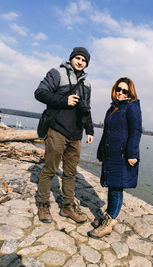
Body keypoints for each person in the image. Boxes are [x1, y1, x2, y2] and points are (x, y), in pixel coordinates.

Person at [34, 47, 94, 224]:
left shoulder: (87, 83)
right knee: (50, 169)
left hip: (76, 135)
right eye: (77, 58)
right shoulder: (57, 73)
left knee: (70, 173)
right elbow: (40, 93)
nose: (80, 62)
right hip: (57, 130)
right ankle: (43, 204)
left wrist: (89, 130)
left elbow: (86, 109)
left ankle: (67, 207)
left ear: (86, 64)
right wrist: (64, 100)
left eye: (84, 60)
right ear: (71, 59)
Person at [88, 77, 142, 238]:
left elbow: (136, 131)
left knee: (117, 189)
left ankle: (109, 223)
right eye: (118, 89)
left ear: (130, 92)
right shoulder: (113, 108)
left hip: (123, 155)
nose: (120, 92)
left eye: (124, 90)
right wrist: (100, 152)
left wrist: (132, 154)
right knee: (112, 186)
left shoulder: (131, 107)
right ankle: (108, 217)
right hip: (111, 154)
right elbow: (106, 133)